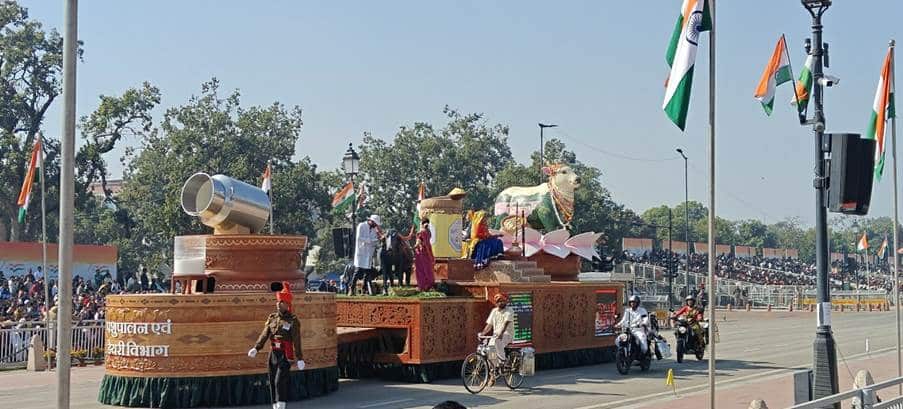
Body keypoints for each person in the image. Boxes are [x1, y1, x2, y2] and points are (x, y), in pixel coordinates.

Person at [248, 282, 305, 409]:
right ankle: (275, 404)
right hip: (273, 353)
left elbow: (297, 340)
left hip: (285, 354)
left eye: (282, 302)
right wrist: (256, 348)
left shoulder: (293, 320)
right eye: (278, 302)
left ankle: (281, 404)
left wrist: (300, 358)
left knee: (279, 381)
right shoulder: (272, 318)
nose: (278, 304)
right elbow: (265, 334)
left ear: (287, 305)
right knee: (272, 380)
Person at [350, 215, 383, 296]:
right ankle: (351, 288)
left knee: (367, 273)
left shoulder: (374, 230)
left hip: (369, 254)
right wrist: (371, 241)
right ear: (371, 221)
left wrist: (378, 239)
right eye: (375, 223)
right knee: (357, 272)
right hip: (361, 253)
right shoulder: (361, 225)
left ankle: (364, 290)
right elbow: (359, 238)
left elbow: (375, 242)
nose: (375, 225)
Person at [480, 293, 514, 369]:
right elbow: (489, 325)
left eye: (503, 301)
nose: (501, 303)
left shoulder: (509, 310)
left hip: (507, 334)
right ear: (496, 302)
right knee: (490, 350)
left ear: (506, 301)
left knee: (497, 341)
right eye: (499, 301)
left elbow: (506, 324)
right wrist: (482, 333)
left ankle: (503, 361)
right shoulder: (494, 311)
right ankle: (493, 371)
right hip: (495, 336)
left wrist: (501, 334)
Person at [414, 218, 436, 291]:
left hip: (422, 252)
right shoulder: (428, 231)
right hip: (428, 251)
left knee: (421, 269)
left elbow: (418, 242)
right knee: (428, 267)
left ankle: (422, 286)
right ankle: (429, 285)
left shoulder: (421, 232)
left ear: (422, 223)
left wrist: (414, 246)